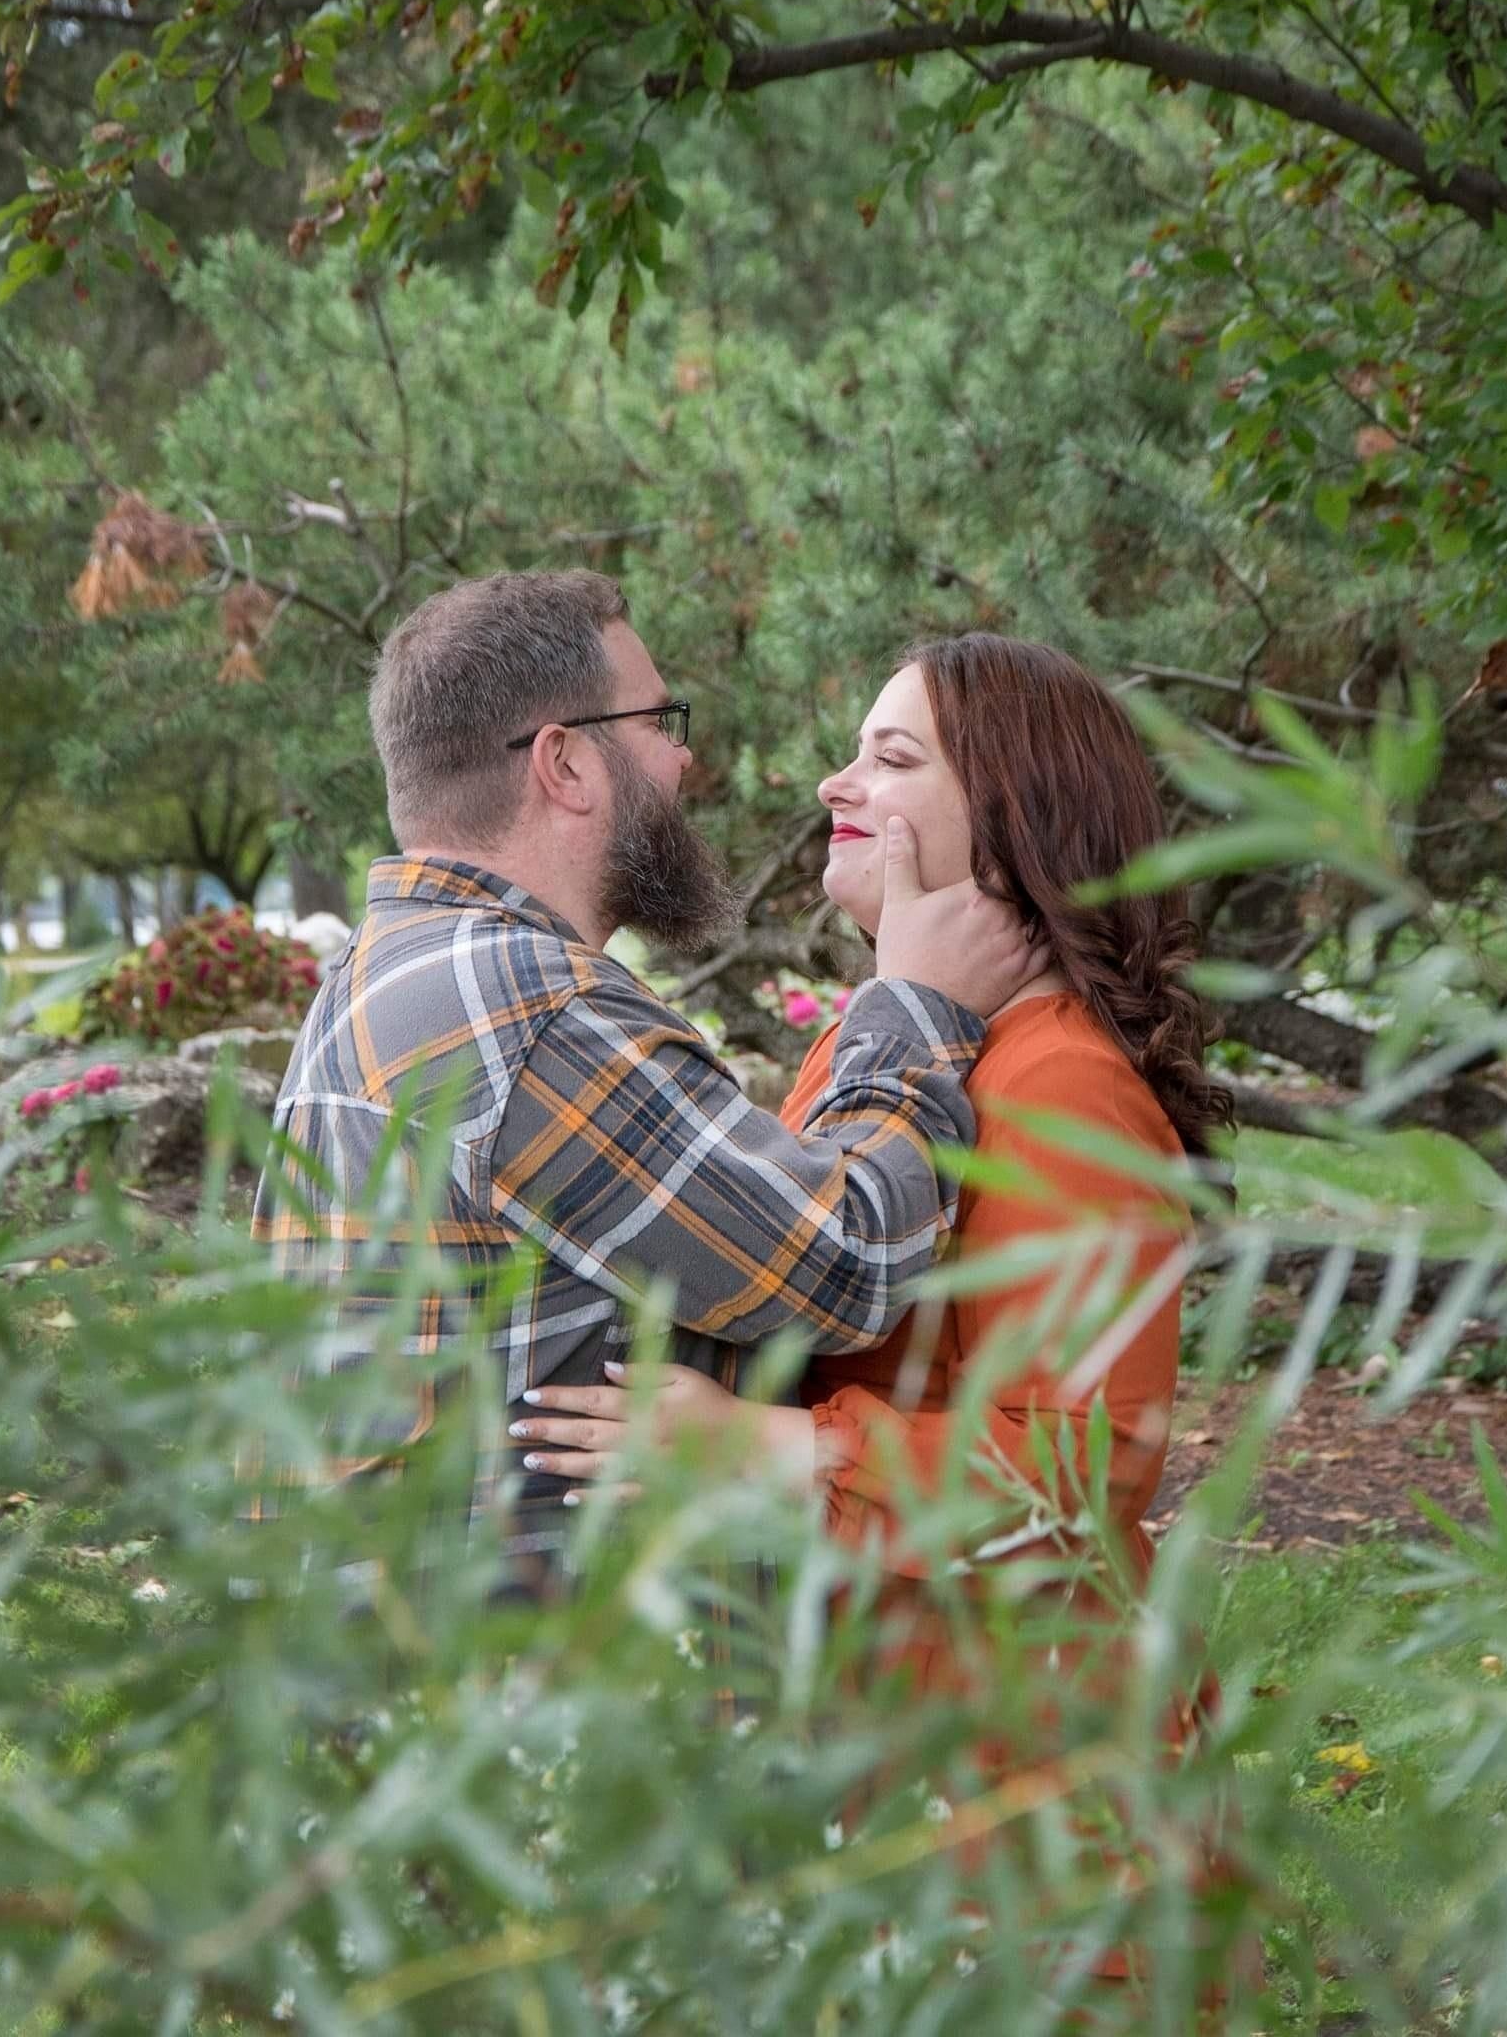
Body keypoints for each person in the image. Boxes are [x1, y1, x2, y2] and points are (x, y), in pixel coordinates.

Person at [516, 632, 1240, 1989]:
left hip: (1029, 1801)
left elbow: (1080, 1471)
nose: (832, 785)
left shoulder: (1062, 1087)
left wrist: (773, 1447)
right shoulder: (904, 1047)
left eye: (890, 758)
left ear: (1012, 818)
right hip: (899, 1764)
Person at [252, 574, 1046, 1574]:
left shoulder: (379, 970)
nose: (684, 758)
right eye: (661, 722)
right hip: (533, 1663)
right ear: (566, 762)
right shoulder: (530, 1008)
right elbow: (848, 1261)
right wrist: (917, 1003)